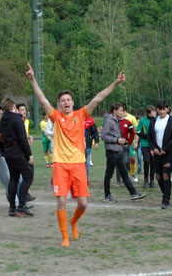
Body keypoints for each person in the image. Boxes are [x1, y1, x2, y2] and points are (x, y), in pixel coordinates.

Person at [27, 62, 125, 247]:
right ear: (59, 104)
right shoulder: (56, 116)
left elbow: (98, 97)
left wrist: (116, 83)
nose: (65, 102)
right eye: (62, 100)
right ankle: (65, 236)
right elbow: (42, 100)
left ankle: (73, 221)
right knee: (61, 200)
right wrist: (33, 80)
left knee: (83, 204)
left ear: (72, 102)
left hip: (79, 164)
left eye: (68, 100)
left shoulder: (81, 114)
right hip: (60, 164)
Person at [101, 102, 146, 202]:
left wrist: (123, 142)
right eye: (120, 110)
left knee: (124, 173)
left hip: (118, 150)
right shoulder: (109, 121)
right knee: (109, 174)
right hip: (112, 152)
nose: (122, 112)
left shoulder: (116, 120)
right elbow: (104, 136)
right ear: (114, 111)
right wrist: (117, 140)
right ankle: (107, 196)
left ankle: (133, 193)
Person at [0, 98, 35, 217]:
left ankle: (12, 207)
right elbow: (22, 138)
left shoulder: (3, 119)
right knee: (28, 176)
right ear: (13, 106)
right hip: (18, 153)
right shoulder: (16, 118)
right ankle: (22, 206)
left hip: (8, 153)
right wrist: (29, 154)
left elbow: (0, 135)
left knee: (14, 179)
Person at [148, 100, 172, 209]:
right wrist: (154, 148)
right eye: (159, 109)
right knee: (158, 176)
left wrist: (165, 149)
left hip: (168, 152)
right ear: (157, 110)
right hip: (157, 153)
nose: (161, 111)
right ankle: (164, 193)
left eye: (164, 109)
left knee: (166, 175)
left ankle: (166, 199)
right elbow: (150, 137)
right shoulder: (153, 121)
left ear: (167, 109)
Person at [136, 105, 157, 188]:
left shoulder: (157, 120)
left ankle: (152, 180)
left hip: (154, 145)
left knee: (153, 162)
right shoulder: (143, 121)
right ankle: (145, 180)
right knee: (147, 161)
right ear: (149, 113)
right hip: (145, 145)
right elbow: (138, 131)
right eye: (153, 112)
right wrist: (147, 136)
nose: (155, 113)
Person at [84, 116, 99, 181]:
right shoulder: (75, 118)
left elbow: (95, 131)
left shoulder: (90, 120)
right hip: (77, 145)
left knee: (87, 161)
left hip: (87, 144)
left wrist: (96, 142)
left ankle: (86, 179)